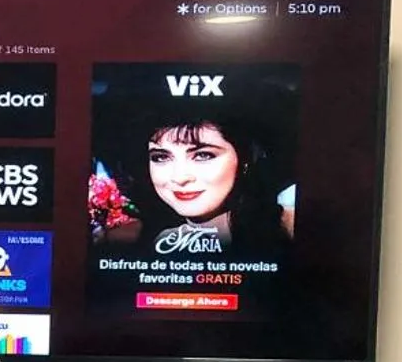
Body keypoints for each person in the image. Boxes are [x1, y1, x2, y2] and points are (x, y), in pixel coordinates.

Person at [90, 99, 291, 257]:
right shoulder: (150, 238)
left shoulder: (287, 224)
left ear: (245, 159)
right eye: (161, 157)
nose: (180, 177)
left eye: (203, 155)